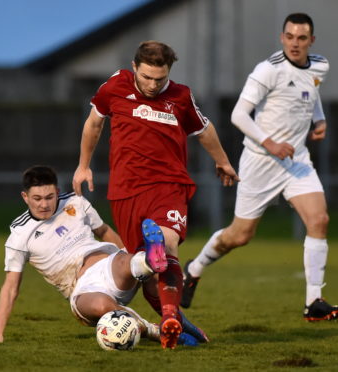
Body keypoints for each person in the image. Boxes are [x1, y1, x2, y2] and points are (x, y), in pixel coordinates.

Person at [72, 41, 239, 348]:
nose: (152, 85)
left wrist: (223, 161)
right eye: (146, 77)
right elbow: (94, 123)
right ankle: (175, 321)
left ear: (169, 73)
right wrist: (83, 166)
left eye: (159, 79)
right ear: (134, 67)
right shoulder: (115, 86)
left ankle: (172, 315)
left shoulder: (181, 96)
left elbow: (204, 129)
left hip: (168, 184)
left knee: (168, 244)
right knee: (147, 268)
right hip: (126, 191)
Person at [181, 13, 338, 322]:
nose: (295, 43)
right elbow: (239, 115)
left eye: (301, 38)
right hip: (261, 161)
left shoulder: (320, 64)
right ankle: (195, 268)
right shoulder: (268, 70)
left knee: (319, 220)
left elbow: (312, 89)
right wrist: (270, 143)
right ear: (282, 38)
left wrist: (318, 119)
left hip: (296, 162)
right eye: (290, 37)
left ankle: (314, 302)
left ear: (311, 41)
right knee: (240, 236)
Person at [0, 165, 203, 347]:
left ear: (57, 191)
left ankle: (147, 260)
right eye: (37, 198)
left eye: (49, 197)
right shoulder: (19, 234)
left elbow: (104, 231)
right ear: (25, 197)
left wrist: (125, 253)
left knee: (124, 261)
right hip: (82, 289)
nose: (44, 204)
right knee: (102, 306)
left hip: (109, 266)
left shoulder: (75, 202)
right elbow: (10, 287)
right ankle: (159, 330)